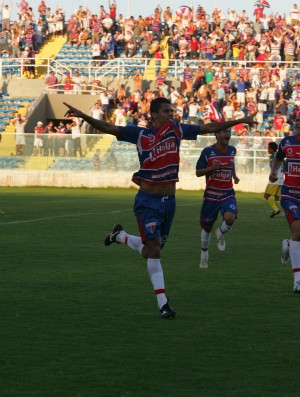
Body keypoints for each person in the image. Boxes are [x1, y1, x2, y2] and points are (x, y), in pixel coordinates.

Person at [63, 98, 256, 318]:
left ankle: (121, 236)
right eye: (166, 111)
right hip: (147, 201)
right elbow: (109, 127)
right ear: (154, 114)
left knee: (151, 251)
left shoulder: (177, 130)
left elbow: (209, 127)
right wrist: (84, 115)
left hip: (169, 204)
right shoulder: (140, 135)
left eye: (172, 110)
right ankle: (163, 303)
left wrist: (240, 120)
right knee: (154, 249)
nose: (171, 114)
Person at [196, 128, 240, 269]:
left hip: (227, 193)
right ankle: (204, 254)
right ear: (217, 134)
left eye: (229, 132)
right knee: (207, 228)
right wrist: (211, 168)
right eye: (224, 132)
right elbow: (198, 172)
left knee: (230, 218)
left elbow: (231, 162)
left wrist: (234, 175)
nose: (228, 134)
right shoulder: (208, 152)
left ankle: (220, 232)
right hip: (211, 196)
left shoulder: (232, 150)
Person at [269, 117, 300, 293]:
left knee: (297, 237)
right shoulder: (287, 142)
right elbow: (278, 158)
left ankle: (288, 246)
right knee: (298, 232)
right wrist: (273, 171)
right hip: (290, 195)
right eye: (297, 126)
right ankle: (297, 280)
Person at [264, 142, 283, 218]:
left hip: (274, 179)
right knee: (276, 197)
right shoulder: (280, 156)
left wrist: (273, 172)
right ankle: (276, 211)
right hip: (281, 179)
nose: (267, 149)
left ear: (271, 149)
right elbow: (284, 166)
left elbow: (273, 165)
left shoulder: (273, 156)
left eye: (268, 148)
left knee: (266, 195)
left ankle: (276, 210)